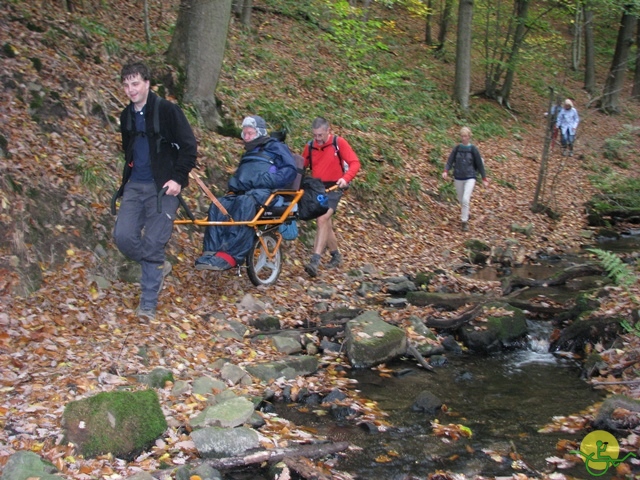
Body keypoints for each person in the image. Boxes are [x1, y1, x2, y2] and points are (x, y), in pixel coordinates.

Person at [113, 62, 197, 321]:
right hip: (134, 187)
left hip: (163, 189)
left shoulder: (168, 111)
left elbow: (188, 146)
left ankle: (147, 305)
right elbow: (128, 148)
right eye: (126, 85)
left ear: (148, 83)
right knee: (123, 236)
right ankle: (155, 266)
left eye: (135, 83)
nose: (131, 89)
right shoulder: (125, 116)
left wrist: (177, 178)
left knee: (152, 242)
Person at [195, 115, 297, 271]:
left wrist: (265, 180)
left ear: (260, 133)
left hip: (265, 193)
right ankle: (211, 252)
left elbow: (290, 171)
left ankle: (230, 255)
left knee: (244, 205)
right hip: (243, 192)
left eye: (250, 133)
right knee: (219, 205)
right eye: (245, 134)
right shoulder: (249, 153)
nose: (247, 137)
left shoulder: (275, 147)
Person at [301, 117, 361, 277]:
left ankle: (315, 260)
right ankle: (336, 256)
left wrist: (345, 178)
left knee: (322, 219)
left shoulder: (339, 143)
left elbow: (355, 163)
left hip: (335, 187)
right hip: (317, 188)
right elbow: (301, 166)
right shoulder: (310, 146)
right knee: (326, 222)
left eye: (320, 135)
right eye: (315, 135)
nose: (318, 139)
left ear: (329, 131)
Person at [442, 126, 489, 232]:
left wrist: (484, 178)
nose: (464, 138)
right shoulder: (457, 148)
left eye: (465, 136)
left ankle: (464, 222)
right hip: (458, 176)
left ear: (469, 137)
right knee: (461, 199)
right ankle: (466, 213)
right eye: (462, 136)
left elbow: (479, 164)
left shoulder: (473, 150)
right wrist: (446, 171)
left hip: (470, 177)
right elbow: (450, 160)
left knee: (465, 199)